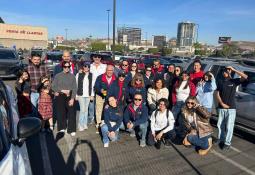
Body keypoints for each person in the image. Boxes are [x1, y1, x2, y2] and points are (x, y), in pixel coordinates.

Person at [216, 66, 248, 150]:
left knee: (229, 126)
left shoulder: (234, 81)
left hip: (231, 108)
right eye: (224, 72)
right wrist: (222, 104)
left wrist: (234, 70)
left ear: (230, 72)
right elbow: (217, 94)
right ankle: (221, 139)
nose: (225, 73)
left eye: (227, 71)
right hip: (221, 107)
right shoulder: (220, 81)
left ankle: (227, 143)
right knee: (220, 125)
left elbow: (245, 77)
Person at [52, 61, 77, 136]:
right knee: (61, 112)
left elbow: (75, 88)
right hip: (60, 96)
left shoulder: (72, 76)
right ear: (62, 67)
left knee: (71, 113)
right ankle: (62, 128)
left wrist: (72, 98)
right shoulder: (57, 76)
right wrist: (61, 90)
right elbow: (53, 86)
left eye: (68, 67)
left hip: (70, 96)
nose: (67, 68)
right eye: (65, 67)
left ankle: (71, 129)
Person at [94, 65, 116, 132]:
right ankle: (98, 124)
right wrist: (100, 90)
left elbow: (116, 88)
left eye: (111, 70)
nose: (109, 72)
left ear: (113, 71)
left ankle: (107, 124)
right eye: (108, 70)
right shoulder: (100, 77)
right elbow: (96, 87)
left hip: (110, 97)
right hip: (100, 96)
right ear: (106, 70)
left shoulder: (115, 78)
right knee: (99, 110)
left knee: (108, 110)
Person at [76, 62, 95, 131]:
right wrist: (76, 95)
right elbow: (76, 85)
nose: (86, 68)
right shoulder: (79, 74)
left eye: (88, 66)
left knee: (86, 110)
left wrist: (92, 95)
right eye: (85, 66)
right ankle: (80, 125)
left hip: (88, 95)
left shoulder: (91, 75)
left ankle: (84, 124)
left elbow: (92, 86)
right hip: (81, 94)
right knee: (82, 110)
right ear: (83, 67)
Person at [90, 53, 107, 125]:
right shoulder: (89, 66)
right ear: (93, 58)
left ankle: (100, 120)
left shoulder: (104, 66)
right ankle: (91, 118)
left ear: (101, 58)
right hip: (90, 89)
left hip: (100, 89)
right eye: (95, 57)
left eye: (99, 57)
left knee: (100, 106)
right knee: (91, 106)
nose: (97, 58)